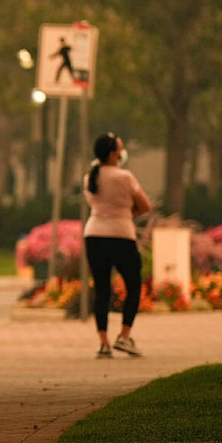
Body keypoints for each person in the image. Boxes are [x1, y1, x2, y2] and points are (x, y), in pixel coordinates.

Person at [82, 132, 153, 359]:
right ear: (113, 154)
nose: (122, 153)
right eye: (120, 149)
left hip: (94, 234)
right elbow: (145, 205)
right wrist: (126, 212)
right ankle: (124, 335)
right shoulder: (125, 177)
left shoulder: (89, 177)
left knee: (102, 288)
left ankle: (103, 342)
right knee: (133, 284)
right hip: (121, 235)